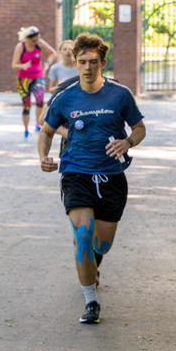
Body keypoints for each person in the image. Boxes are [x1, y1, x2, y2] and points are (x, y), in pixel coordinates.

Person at [37, 32, 147, 324]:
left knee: (102, 244)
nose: (87, 67)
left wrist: (128, 142)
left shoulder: (120, 94)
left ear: (103, 62)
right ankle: (91, 301)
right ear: (74, 62)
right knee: (84, 235)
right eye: (82, 61)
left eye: (93, 62)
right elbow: (46, 131)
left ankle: (92, 261)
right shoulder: (65, 97)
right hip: (76, 173)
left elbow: (138, 128)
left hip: (112, 176)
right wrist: (43, 157)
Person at [11, 26, 57, 139]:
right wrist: (23, 66)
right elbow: (14, 65)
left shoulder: (39, 43)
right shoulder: (20, 46)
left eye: (37, 39)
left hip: (38, 77)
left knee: (40, 100)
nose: (36, 41)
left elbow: (53, 53)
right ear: (27, 39)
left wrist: (47, 63)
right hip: (24, 79)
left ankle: (37, 124)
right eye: (33, 40)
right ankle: (26, 130)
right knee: (27, 105)